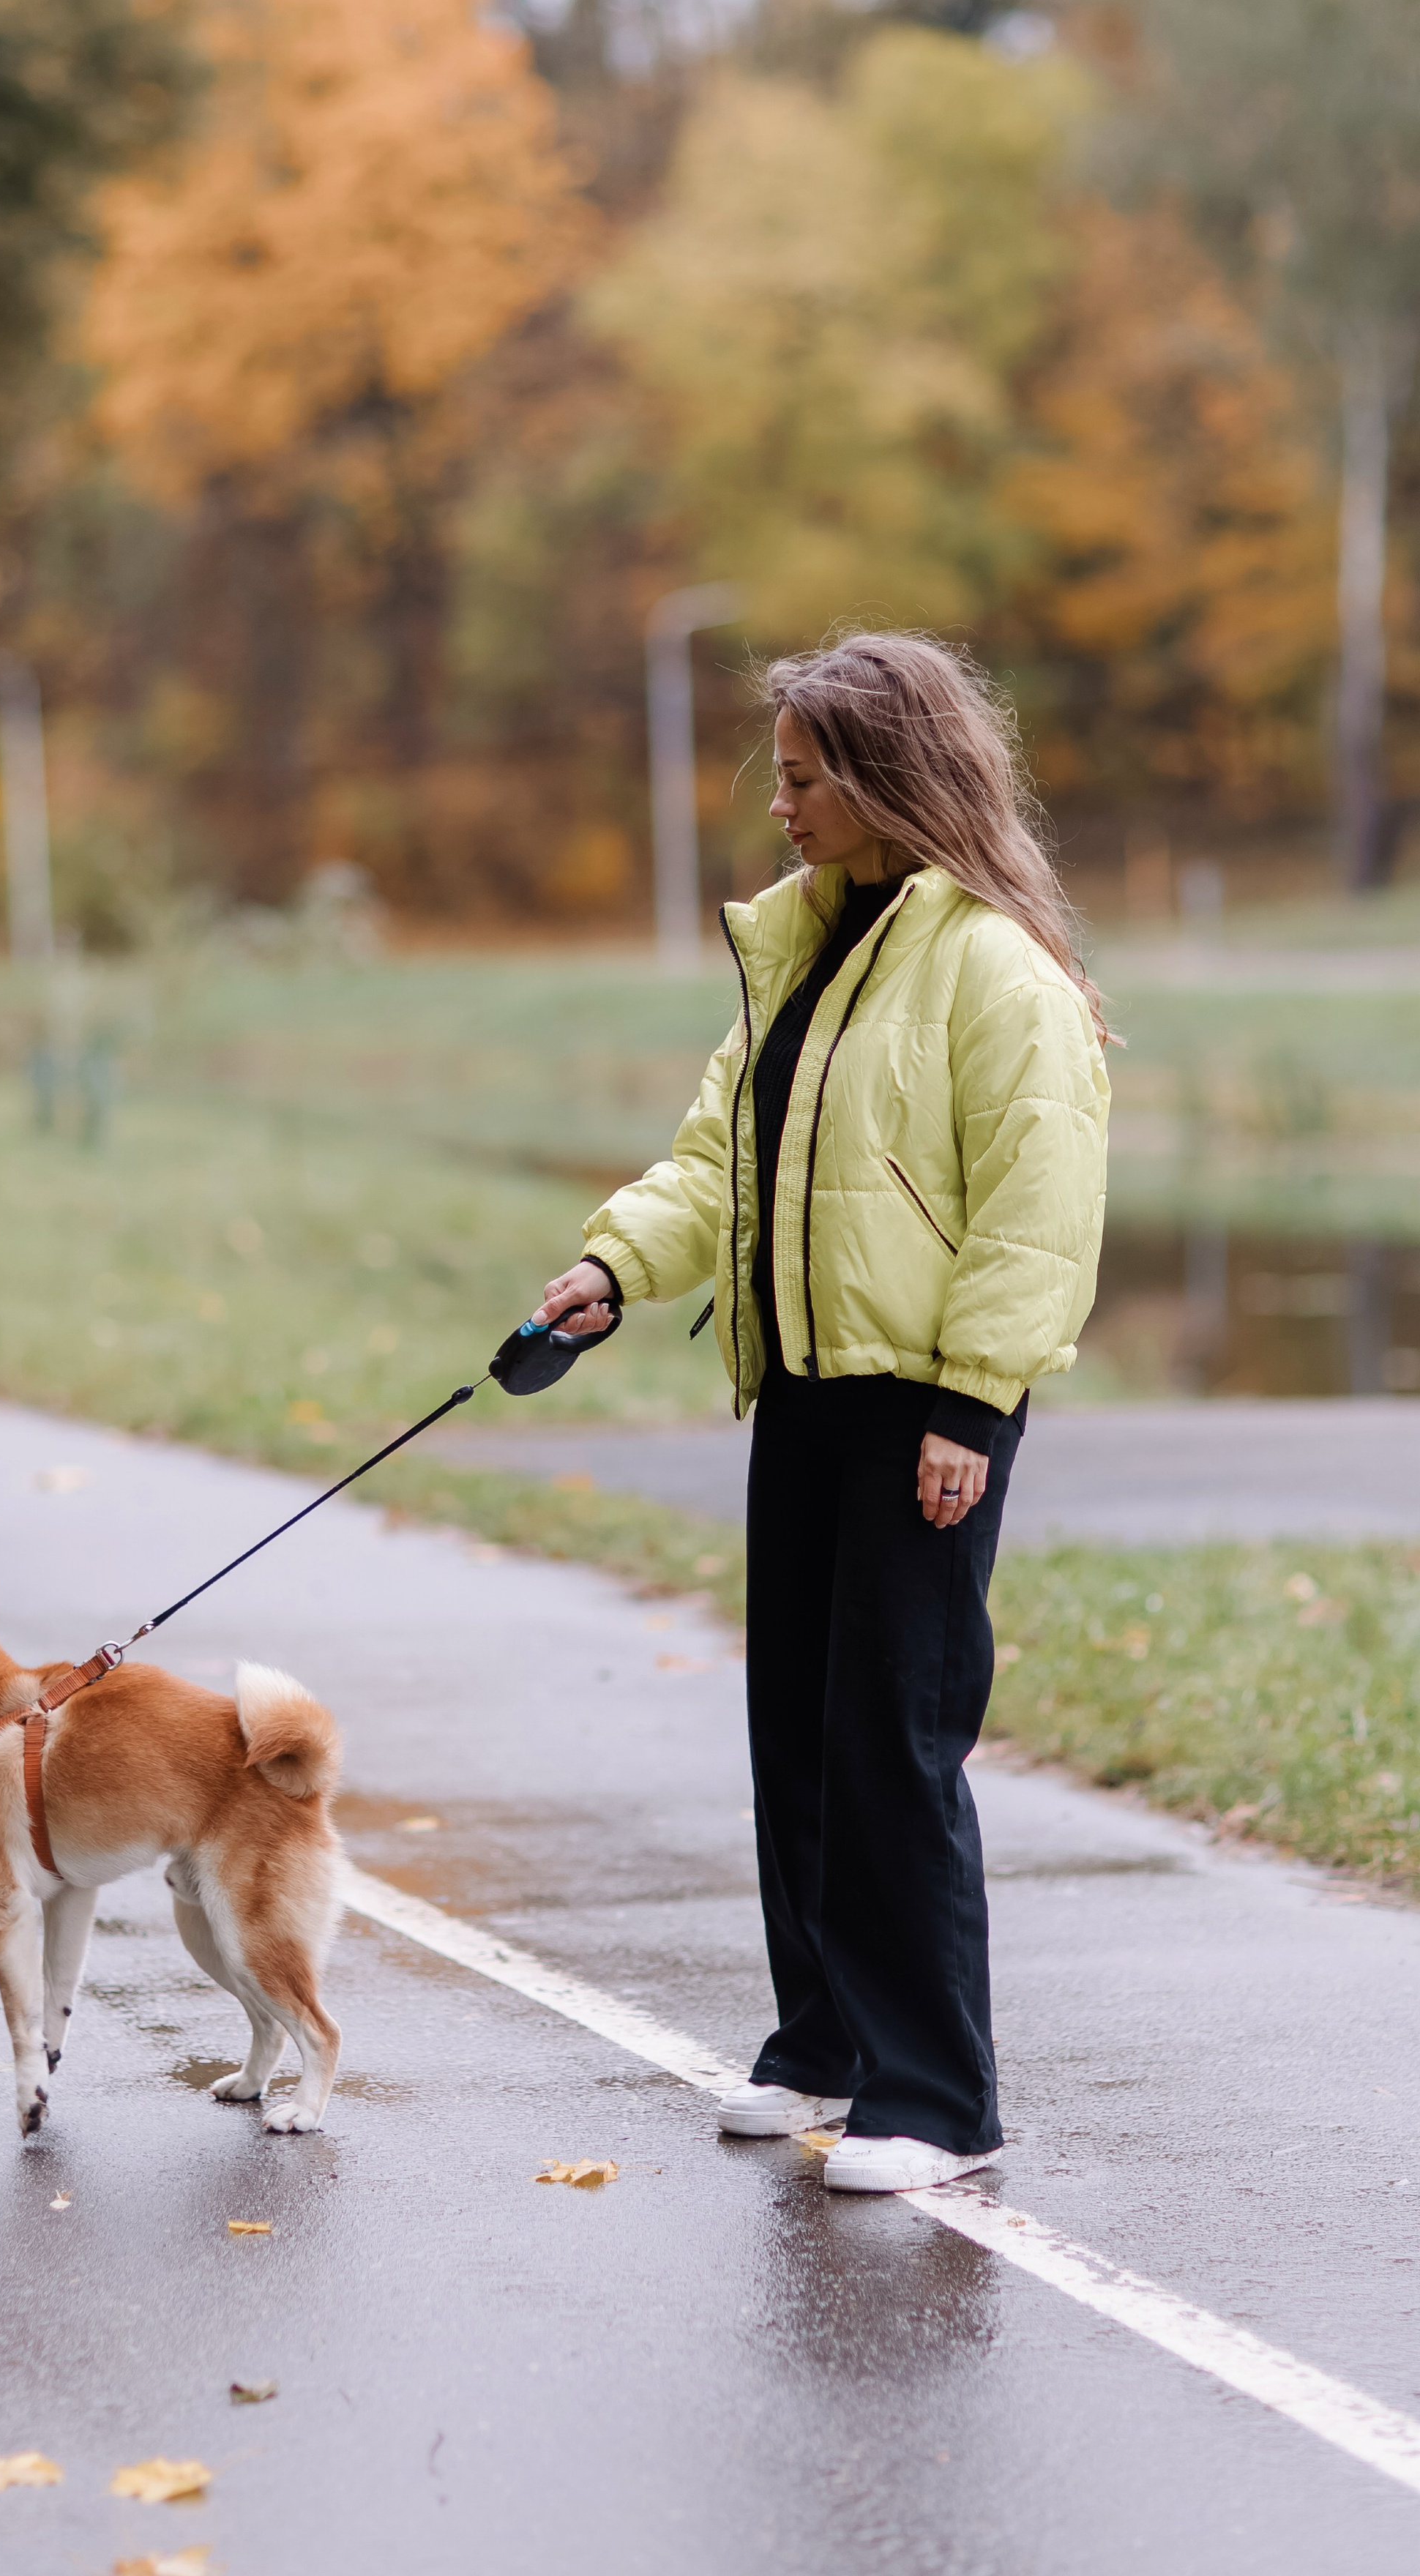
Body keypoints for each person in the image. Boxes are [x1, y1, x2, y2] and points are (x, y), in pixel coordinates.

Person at [536, 632, 1110, 2195]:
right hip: (795, 1391)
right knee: (793, 1725)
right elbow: (718, 1157)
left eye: (798, 778)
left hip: (922, 1409)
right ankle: (826, 2046)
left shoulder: (993, 969)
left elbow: (1034, 1213)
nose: (775, 805)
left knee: (890, 1740)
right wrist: (609, 1266)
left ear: (878, 778)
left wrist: (971, 1410)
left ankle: (934, 2097)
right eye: (777, 776)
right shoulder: (801, 948)